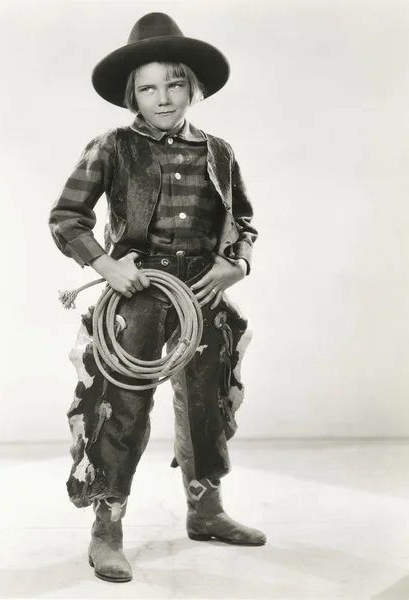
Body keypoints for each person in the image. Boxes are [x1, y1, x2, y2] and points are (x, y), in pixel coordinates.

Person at [49, 12, 266, 584]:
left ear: (193, 86)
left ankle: (206, 508)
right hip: (139, 290)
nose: (163, 97)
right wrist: (103, 265)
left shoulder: (217, 151)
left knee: (206, 398)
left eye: (174, 84)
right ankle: (107, 523)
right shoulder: (113, 146)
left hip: (203, 291)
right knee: (120, 400)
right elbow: (67, 216)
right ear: (132, 96)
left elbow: (242, 218)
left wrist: (234, 263)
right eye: (148, 88)